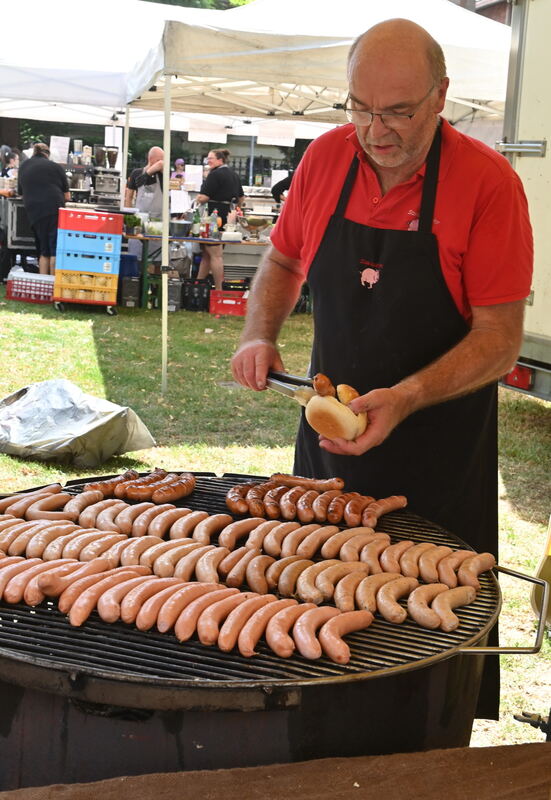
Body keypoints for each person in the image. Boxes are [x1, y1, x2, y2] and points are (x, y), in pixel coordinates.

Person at [231, 20, 533, 719]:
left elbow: (499, 339)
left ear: (440, 98)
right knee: (310, 641)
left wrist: (404, 396)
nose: (377, 130)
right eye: (360, 108)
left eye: (397, 111)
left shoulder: (488, 184)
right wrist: (257, 333)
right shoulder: (324, 159)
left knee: (419, 668)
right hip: (327, 456)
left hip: (438, 459)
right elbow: (280, 261)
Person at [17, 142, 70, 275]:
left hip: (34, 211)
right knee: (54, 248)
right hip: (54, 209)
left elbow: (20, 192)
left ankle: (43, 284)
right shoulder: (55, 167)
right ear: (47, 154)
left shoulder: (23, 166)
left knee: (43, 249)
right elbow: (67, 196)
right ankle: (53, 284)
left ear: (34, 153)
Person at [195, 149, 244, 290]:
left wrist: (197, 198)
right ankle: (197, 285)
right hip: (227, 217)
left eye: (211, 158)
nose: (208, 161)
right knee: (207, 254)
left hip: (214, 217)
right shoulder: (233, 174)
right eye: (207, 159)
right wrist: (235, 210)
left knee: (216, 255)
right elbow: (241, 198)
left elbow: (204, 197)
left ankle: (218, 290)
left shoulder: (214, 174)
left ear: (220, 160)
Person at [125, 146, 164, 264]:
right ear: (151, 159)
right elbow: (129, 197)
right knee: (136, 255)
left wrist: (147, 174)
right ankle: (137, 280)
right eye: (159, 159)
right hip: (139, 220)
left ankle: (155, 281)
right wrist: (128, 217)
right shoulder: (136, 173)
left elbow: (162, 164)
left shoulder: (162, 174)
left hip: (157, 221)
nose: (162, 162)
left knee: (157, 258)